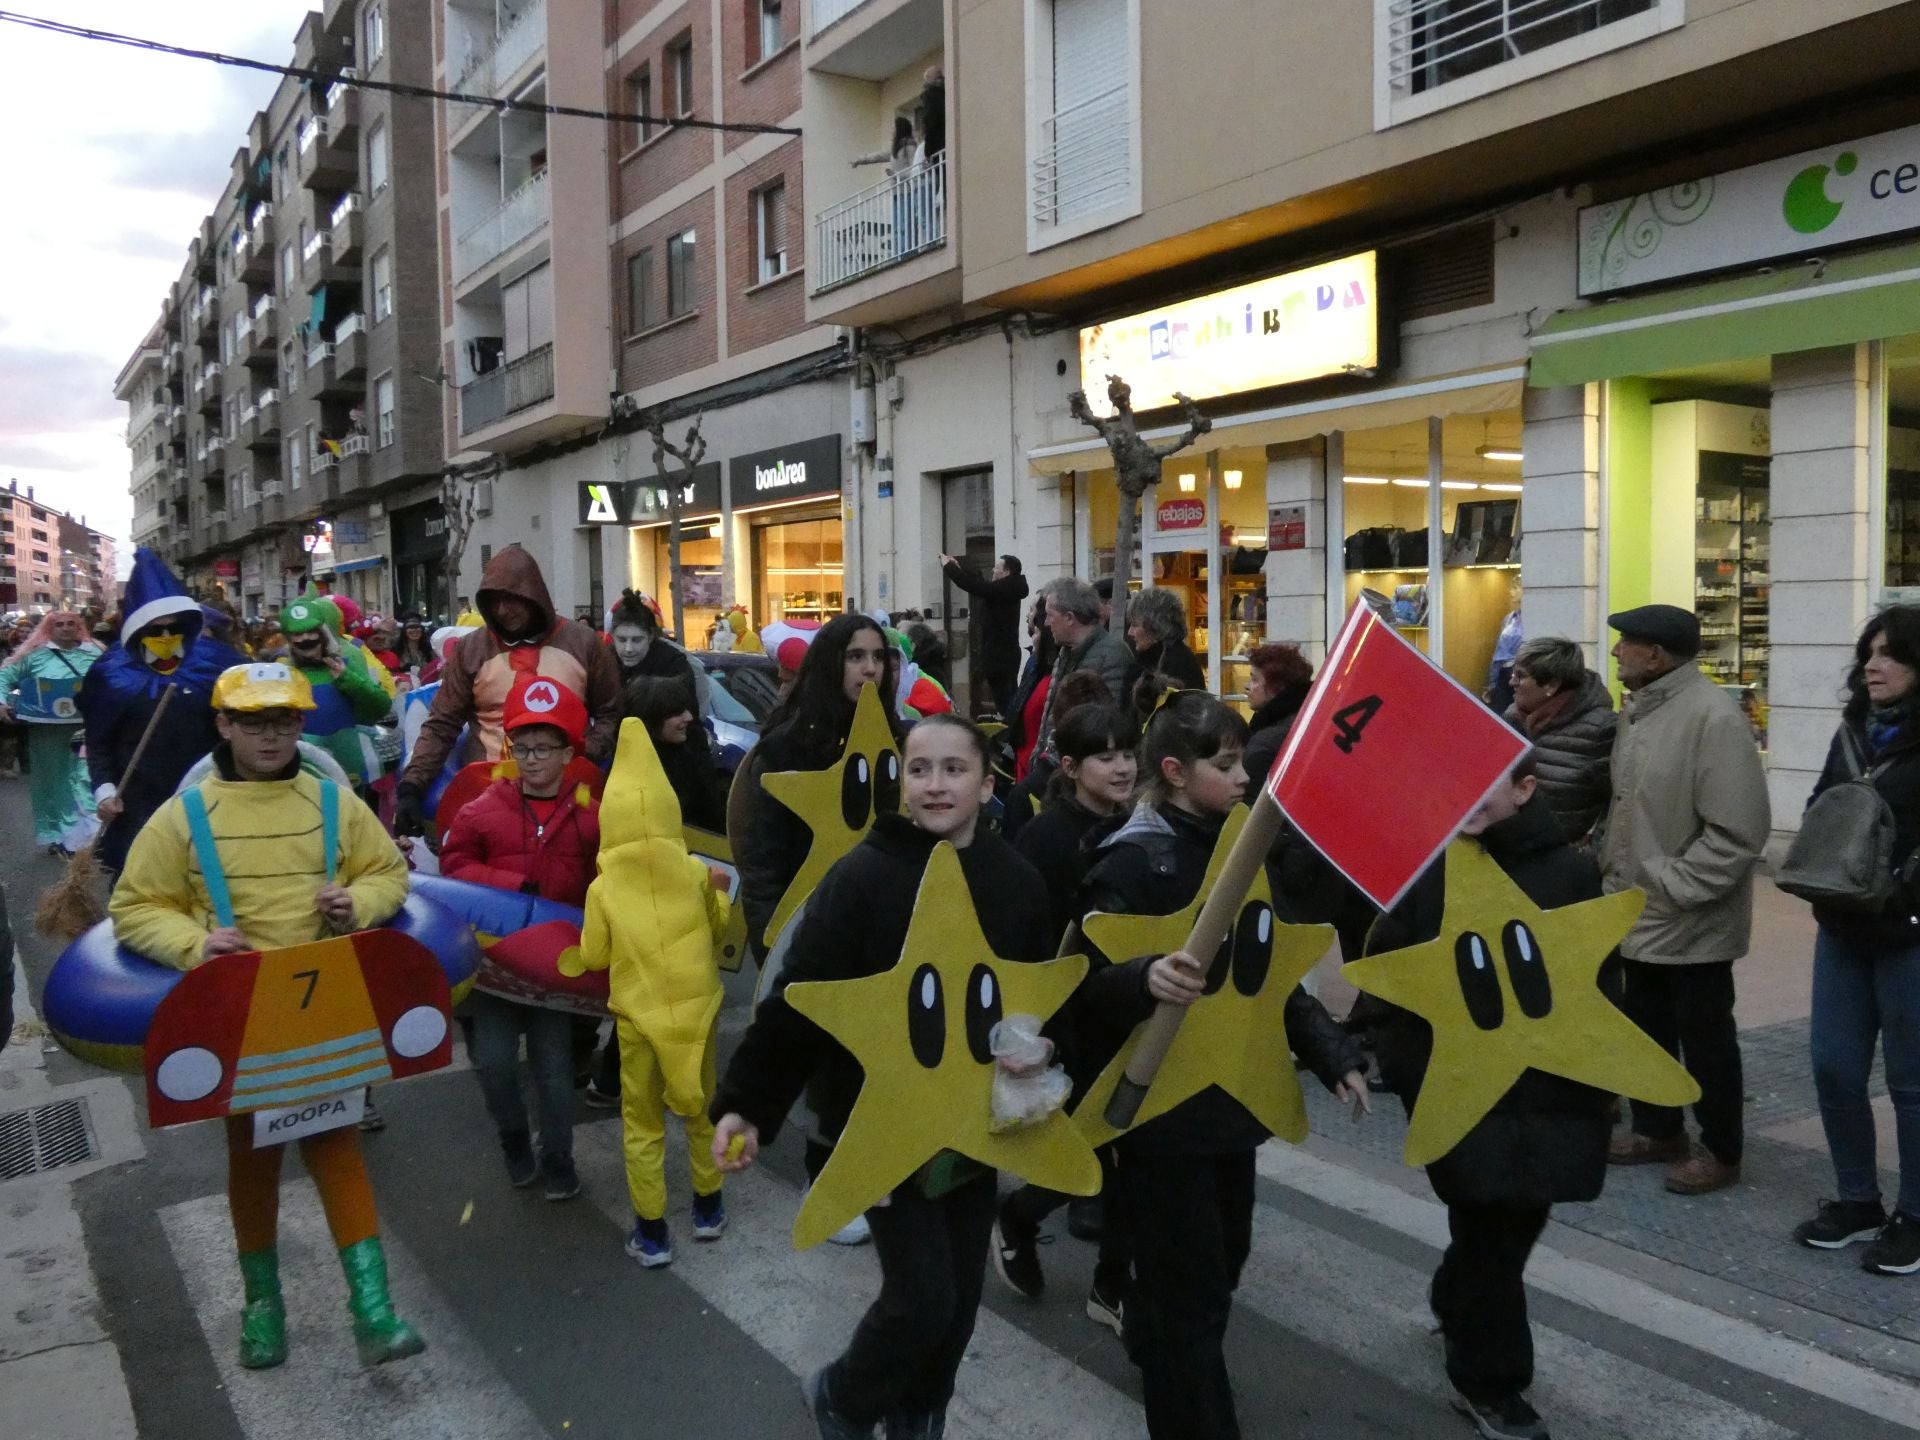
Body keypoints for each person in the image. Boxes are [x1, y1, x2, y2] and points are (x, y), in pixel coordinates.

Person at [711, 715, 1052, 1438]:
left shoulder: (1017, 882)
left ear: (987, 784)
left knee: (958, 1306)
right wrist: (746, 1104)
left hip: (973, 1125)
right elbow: (799, 998)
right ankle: (844, 1395)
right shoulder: (865, 875)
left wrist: (1042, 1053)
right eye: (920, 769)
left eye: (954, 769)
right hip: (879, 1123)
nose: (935, 784)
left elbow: (1043, 1003)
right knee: (922, 1297)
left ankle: (919, 1414)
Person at [107, 662, 422, 1371]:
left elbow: (389, 875)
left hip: (324, 1010)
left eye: (283, 719)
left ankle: (374, 1312)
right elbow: (132, 907)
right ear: (223, 725)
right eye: (253, 721)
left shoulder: (335, 804)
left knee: (337, 1148)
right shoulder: (182, 816)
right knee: (251, 1164)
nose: (270, 734)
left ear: (302, 725)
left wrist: (359, 903)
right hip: (240, 1019)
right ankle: (263, 1307)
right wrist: (194, 943)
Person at [1072, 691, 1368, 1439]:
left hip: (1234, 1104)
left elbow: (1265, 975)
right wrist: (1141, 978)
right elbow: (1075, 984)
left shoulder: (1243, 849)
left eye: (1244, 763)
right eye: (1227, 764)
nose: (1245, 779)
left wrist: (1333, 1055)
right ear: (1173, 771)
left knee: (1224, 1261)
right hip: (1160, 1113)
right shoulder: (1134, 859)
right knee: (1191, 1299)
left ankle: (1150, 1329)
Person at [1358, 754, 1615, 1440]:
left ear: (1526, 788)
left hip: (1552, 1093)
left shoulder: (1571, 873)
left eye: (1486, 780)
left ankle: (1454, 1299)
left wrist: (1599, 1086)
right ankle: (1490, 1384)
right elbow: (1388, 984)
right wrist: (1416, 1077)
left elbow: (1599, 989)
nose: (1464, 796)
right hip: (1462, 1093)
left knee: (1514, 1228)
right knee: (1489, 1236)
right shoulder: (1430, 871)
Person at [1601, 604, 1770, 1196]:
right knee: (1645, 1028)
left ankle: (1721, 1149)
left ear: (1657, 654)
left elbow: (1739, 832)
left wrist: (1673, 885)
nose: (1617, 652)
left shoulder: (1711, 718)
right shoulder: (1641, 714)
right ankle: (1658, 1128)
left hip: (1688, 916)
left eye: (1627, 643)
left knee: (1706, 1040)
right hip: (1639, 908)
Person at [570, 718, 732, 1268]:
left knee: (642, 1124)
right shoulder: (692, 869)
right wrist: (720, 900)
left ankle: (653, 1233)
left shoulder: (603, 886)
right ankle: (709, 1208)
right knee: (701, 1105)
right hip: (697, 1009)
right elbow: (717, 924)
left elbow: (592, 957)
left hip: (638, 1019)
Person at [995, 702, 1138, 1317]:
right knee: (1093, 1148)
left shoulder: (1138, 824)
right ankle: (1021, 1216)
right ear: (1073, 765)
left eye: (1128, 753)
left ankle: (1111, 1286)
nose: (1122, 767)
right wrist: (1034, 1026)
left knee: (1130, 1151)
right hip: (1073, 1016)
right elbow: (1026, 936)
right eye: (1106, 757)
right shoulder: (1048, 836)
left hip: (1132, 1006)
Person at [1791, 606, 1920, 1276]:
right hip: (1843, 925)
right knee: (1834, 1066)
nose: (1873, 665)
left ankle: (1916, 1218)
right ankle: (1856, 1201)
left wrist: (1904, 896)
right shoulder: (1852, 733)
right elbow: (1821, 807)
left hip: (1908, 934)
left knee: (1912, 1082)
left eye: (1891, 654)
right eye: (1869, 653)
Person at [439, 677, 601, 1202]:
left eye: (544, 748)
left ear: (568, 752)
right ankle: (513, 1138)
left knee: (555, 1072)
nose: (532, 760)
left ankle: (558, 1155)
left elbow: (607, 879)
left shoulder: (591, 817)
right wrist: (511, 889)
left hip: (555, 967)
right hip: (496, 967)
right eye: (522, 747)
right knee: (496, 1063)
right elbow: (454, 866)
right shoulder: (482, 809)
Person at [394, 547, 622, 836]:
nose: (502, 610)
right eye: (494, 602)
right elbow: (442, 724)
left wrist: (587, 752)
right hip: (488, 792)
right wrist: (412, 788)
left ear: (533, 595)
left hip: (568, 793)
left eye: (511, 599)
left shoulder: (584, 643)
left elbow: (611, 713)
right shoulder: (472, 650)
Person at [78, 547, 247, 876]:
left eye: (175, 627)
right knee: (143, 880)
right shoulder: (111, 673)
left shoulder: (217, 663)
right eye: (157, 629)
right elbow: (98, 743)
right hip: (139, 800)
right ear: (139, 630)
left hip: (211, 792)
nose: (167, 636)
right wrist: (105, 793)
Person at [0, 610, 102, 854]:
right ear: (50, 628)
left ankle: (89, 835)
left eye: (71, 623)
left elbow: (115, 680)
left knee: (85, 778)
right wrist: (1, 701)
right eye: (60, 624)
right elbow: (5, 675)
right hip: (46, 732)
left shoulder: (95, 654)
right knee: (53, 782)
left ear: (79, 627)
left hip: (87, 728)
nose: (66, 628)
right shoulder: (34, 655)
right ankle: (59, 834)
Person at [1505, 637, 1616, 845]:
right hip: (1512, 848)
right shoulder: (1512, 718)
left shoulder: (1601, 729)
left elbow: (1619, 803)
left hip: (1562, 857)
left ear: (1552, 685)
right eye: (1513, 673)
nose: (1512, 682)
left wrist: (1592, 851)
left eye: (1521, 676)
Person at [278, 596, 392, 791]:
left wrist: (348, 679)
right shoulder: (282, 673)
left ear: (322, 634)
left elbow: (380, 706)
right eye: (298, 634)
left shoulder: (343, 665)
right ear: (289, 640)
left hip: (349, 775)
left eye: (311, 632)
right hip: (301, 775)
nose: (306, 639)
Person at [1034, 577, 1133, 755]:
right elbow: (1052, 716)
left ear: (1070, 618)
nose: (1047, 623)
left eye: (1050, 615)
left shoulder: (1112, 655)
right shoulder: (1065, 652)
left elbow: (1105, 722)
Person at [623, 674, 724, 831]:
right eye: (677, 712)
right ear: (652, 718)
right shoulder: (628, 774)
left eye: (687, 710)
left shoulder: (687, 759)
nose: (689, 717)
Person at [938, 553, 1030, 717]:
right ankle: (1012, 732)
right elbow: (979, 583)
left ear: (1007, 573)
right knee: (1009, 701)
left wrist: (949, 567)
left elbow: (974, 586)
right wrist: (959, 567)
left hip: (999, 658)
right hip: (1005, 656)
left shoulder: (1004, 590)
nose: (993, 570)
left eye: (997, 567)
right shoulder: (1009, 589)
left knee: (1006, 705)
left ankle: (1010, 736)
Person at [1238, 642, 1315, 793]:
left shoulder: (1265, 742)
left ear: (1276, 687)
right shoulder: (1306, 719)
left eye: (1254, 680)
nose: (1247, 687)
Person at [1124, 588, 1205, 692]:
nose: (1130, 632)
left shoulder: (1178, 663)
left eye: (1135, 625)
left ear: (1155, 626)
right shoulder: (1146, 659)